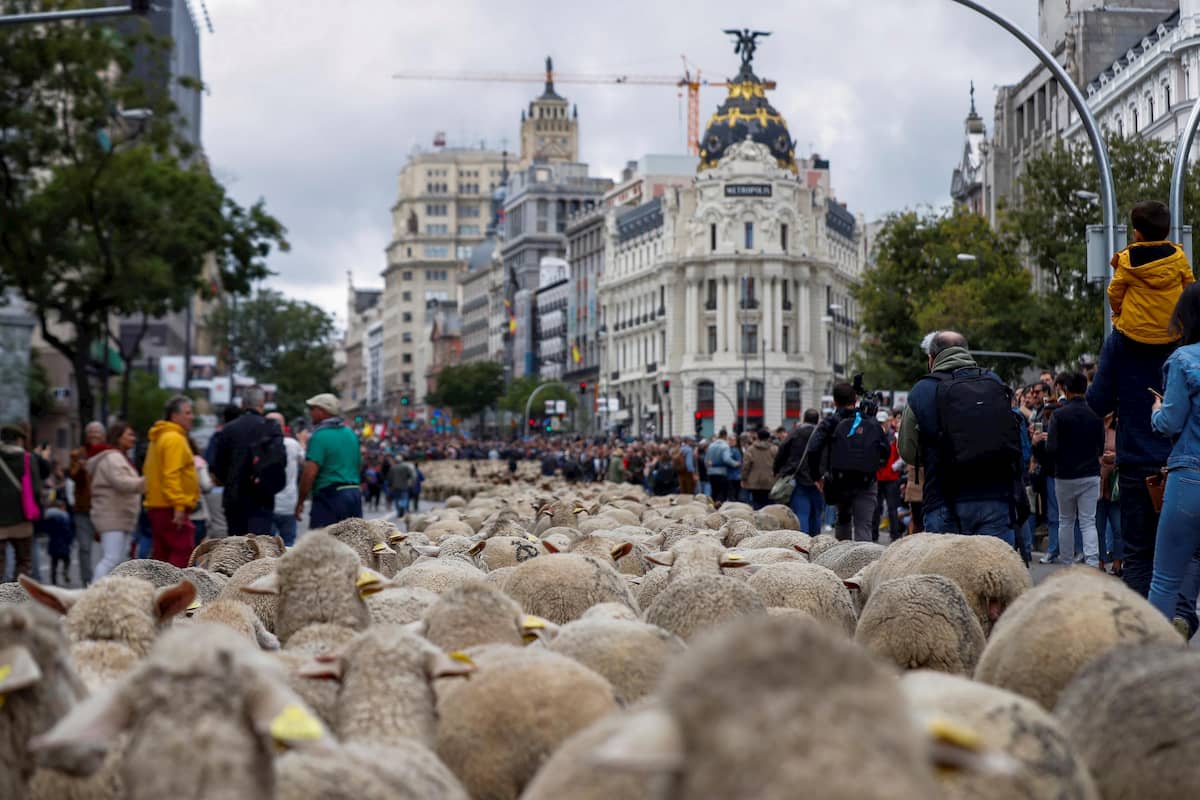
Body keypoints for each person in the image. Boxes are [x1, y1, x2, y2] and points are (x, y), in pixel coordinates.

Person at [1087, 287, 1191, 630]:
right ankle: (1181, 618)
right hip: (1182, 462)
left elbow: (1098, 401)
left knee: (1139, 557)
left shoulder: (1120, 341)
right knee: (1187, 554)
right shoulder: (1185, 342)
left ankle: (1140, 634)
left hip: (1137, 463)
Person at [898, 331, 1022, 546]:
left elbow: (908, 451)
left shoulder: (923, 390)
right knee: (994, 565)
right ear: (966, 352)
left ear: (931, 359)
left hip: (944, 500)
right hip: (996, 497)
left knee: (947, 567)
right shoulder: (993, 381)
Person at [1147, 283, 1200, 635]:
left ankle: (1153, 655)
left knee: (1164, 579)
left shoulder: (1183, 359)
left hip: (1190, 478)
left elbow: (1170, 422)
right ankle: (1184, 619)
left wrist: (1156, 410)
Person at [807, 383, 888, 542]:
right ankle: (863, 556)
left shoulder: (831, 422)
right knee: (863, 525)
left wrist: (817, 476)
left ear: (835, 401)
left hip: (839, 480)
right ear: (856, 398)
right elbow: (885, 450)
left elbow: (813, 448)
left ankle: (842, 554)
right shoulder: (869, 420)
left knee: (843, 520)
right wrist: (873, 467)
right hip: (866, 480)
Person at [1108, 200, 1194, 346]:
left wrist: (1119, 313)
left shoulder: (1127, 259)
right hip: (1172, 334)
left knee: (1108, 355)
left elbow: (1114, 294)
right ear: (1168, 232)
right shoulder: (1179, 257)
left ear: (1137, 235)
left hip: (1134, 336)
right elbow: (1189, 290)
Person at [1041, 372, 1104, 567]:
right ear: (1086, 389)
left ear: (1066, 390)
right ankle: (1092, 562)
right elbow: (1101, 448)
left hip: (1064, 475)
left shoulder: (1058, 415)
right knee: (1088, 521)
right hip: (1090, 474)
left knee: (1065, 520)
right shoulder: (1095, 415)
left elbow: (1051, 448)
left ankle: (1067, 563)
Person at [210, 386, 285, 536]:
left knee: (236, 544)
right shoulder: (271, 427)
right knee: (260, 544)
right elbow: (280, 462)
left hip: (235, 497)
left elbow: (218, 466)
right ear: (262, 404)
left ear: (242, 404)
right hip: (262, 498)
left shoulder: (228, 429)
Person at [143, 395, 200, 568]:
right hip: (170, 507)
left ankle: (161, 585)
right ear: (174, 416)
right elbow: (171, 474)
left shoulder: (160, 437)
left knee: (162, 555)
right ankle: (175, 586)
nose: (192, 417)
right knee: (182, 553)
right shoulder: (174, 438)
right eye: (187, 413)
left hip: (159, 504)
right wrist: (179, 506)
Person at [296, 393, 362, 528]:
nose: (310, 413)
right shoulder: (350, 433)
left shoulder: (319, 436)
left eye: (312, 409)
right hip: (354, 493)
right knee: (353, 538)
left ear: (322, 411)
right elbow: (358, 465)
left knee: (322, 540)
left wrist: (300, 501)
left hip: (330, 496)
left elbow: (309, 473)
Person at [89, 421, 144, 579]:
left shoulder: (119, 457)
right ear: (118, 437)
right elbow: (122, 482)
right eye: (129, 435)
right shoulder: (113, 458)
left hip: (118, 515)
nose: (133, 438)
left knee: (117, 560)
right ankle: (96, 590)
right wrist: (147, 481)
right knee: (111, 559)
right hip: (112, 515)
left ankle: (109, 590)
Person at [0, 422, 42, 580]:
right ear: (19, 440)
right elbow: (36, 489)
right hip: (22, 519)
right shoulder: (27, 458)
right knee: (23, 561)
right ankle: (16, 593)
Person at [773, 410, 823, 534]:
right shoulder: (823, 433)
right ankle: (816, 539)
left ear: (804, 418)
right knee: (816, 513)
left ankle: (803, 540)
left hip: (798, 476)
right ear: (817, 420)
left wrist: (777, 469)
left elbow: (782, 451)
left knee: (802, 513)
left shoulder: (796, 432)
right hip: (819, 479)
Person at [67, 420, 104, 587]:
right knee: (84, 547)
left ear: (103, 435)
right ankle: (87, 582)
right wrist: (82, 468)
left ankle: (104, 580)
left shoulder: (108, 454)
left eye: (97, 432)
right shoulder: (78, 454)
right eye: (91, 432)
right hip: (83, 508)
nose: (94, 435)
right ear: (86, 435)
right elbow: (72, 476)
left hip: (104, 508)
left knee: (108, 549)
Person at [266, 412, 303, 546]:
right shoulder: (293, 444)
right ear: (283, 426)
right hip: (289, 503)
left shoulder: (260, 444)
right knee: (288, 544)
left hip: (267, 505)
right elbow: (305, 462)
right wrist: (302, 442)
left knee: (268, 545)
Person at [1097, 413, 1122, 575]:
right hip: (1097, 483)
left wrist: (1115, 457)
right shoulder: (1094, 426)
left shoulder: (1119, 427)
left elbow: (1127, 452)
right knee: (1097, 528)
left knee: (1118, 527)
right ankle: (1099, 562)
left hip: (1115, 485)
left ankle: (1118, 563)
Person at [872, 410, 902, 543]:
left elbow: (902, 455)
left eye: (883, 422)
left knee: (892, 508)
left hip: (890, 478)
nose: (881, 425)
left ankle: (894, 535)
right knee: (876, 508)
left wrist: (893, 467)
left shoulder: (894, 437)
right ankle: (874, 535)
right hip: (878, 477)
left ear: (888, 422)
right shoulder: (873, 436)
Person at [741, 428, 778, 509]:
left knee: (757, 503)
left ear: (757, 437)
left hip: (755, 481)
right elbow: (778, 464)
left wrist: (744, 478)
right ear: (768, 437)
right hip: (770, 480)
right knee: (769, 504)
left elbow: (746, 465)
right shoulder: (774, 449)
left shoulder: (751, 449)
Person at [39, 499, 74, 585]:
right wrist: (70, 541)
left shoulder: (49, 517)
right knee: (67, 560)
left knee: (54, 563)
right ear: (62, 507)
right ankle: (65, 571)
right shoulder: (65, 517)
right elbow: (68, 531)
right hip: (64, 544)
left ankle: (53, 579)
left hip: (53, 544)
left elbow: (45, 529)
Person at [190, 438, 213, 546]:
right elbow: (206, 485)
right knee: (194, 547)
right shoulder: (198, 461)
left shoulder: (169, 460)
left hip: (172, 513)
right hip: (196, 512)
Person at [706, 429, 736, 504]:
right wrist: (735, 463)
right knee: (722, 493)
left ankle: (712, 507)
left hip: (711, 472)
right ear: (725, 436)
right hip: (721, 472)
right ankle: (720, 508)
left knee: (714, 492)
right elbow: (726, 459)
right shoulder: (725, 446)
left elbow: (706, 460)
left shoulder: (711, 445)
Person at [388, 452, 416, 518]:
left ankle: (399, 511)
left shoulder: (392, 468)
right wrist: (412, 482)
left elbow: (389, 478)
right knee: (404, 498)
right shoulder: (405, 467)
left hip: (395, 486)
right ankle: (402, 507)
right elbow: (412, 475)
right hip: (404, 485)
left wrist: (390, 486)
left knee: (397, 499)